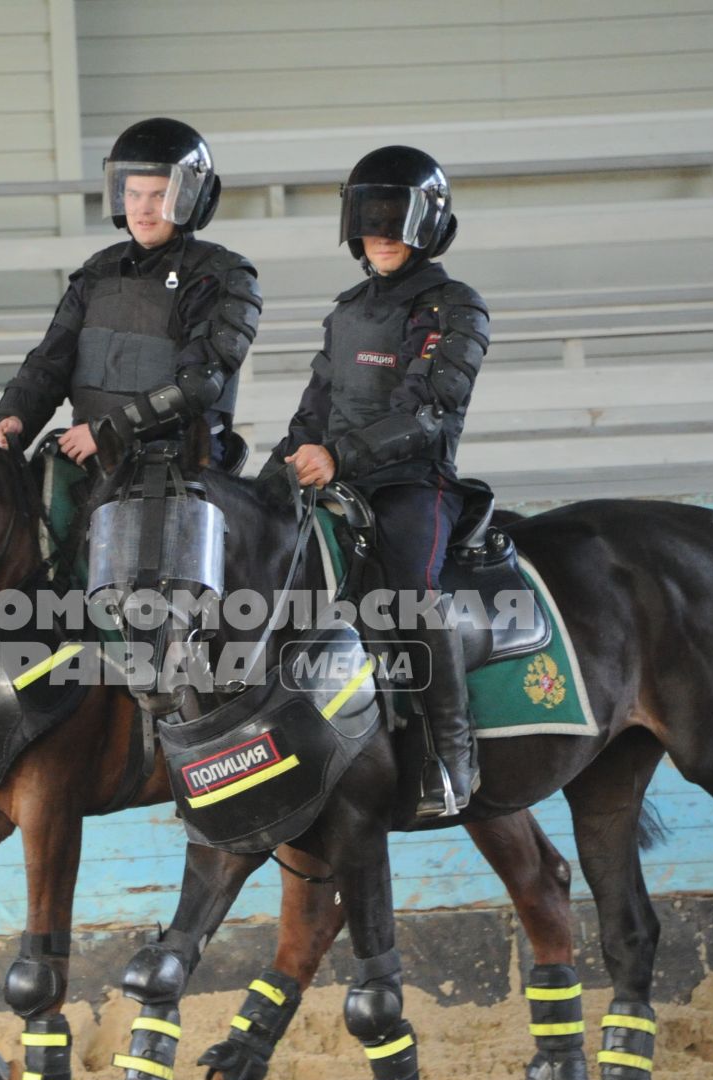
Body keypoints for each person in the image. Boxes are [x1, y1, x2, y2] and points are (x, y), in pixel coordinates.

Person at [260, 145, 491, 818]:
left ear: (430, 225)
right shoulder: (346, 312)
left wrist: (339, 457)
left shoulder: (456, 308)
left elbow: (429, 411)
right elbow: (313, 408)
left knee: (414, 592)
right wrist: (275, 472)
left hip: (416, 485)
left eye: (397, 218)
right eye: (369, 218)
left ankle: (453, 753)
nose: (382, 234)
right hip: (336, 480)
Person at [0, 117, 261, 469]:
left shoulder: (223, 276)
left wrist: (107, 430)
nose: (143, 209)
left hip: (178, 466)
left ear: (191, 198)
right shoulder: (98, 271)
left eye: (159, 195)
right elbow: (49, 363)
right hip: (89, 457)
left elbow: (197, 386)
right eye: (134, 194)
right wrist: (14, 415)